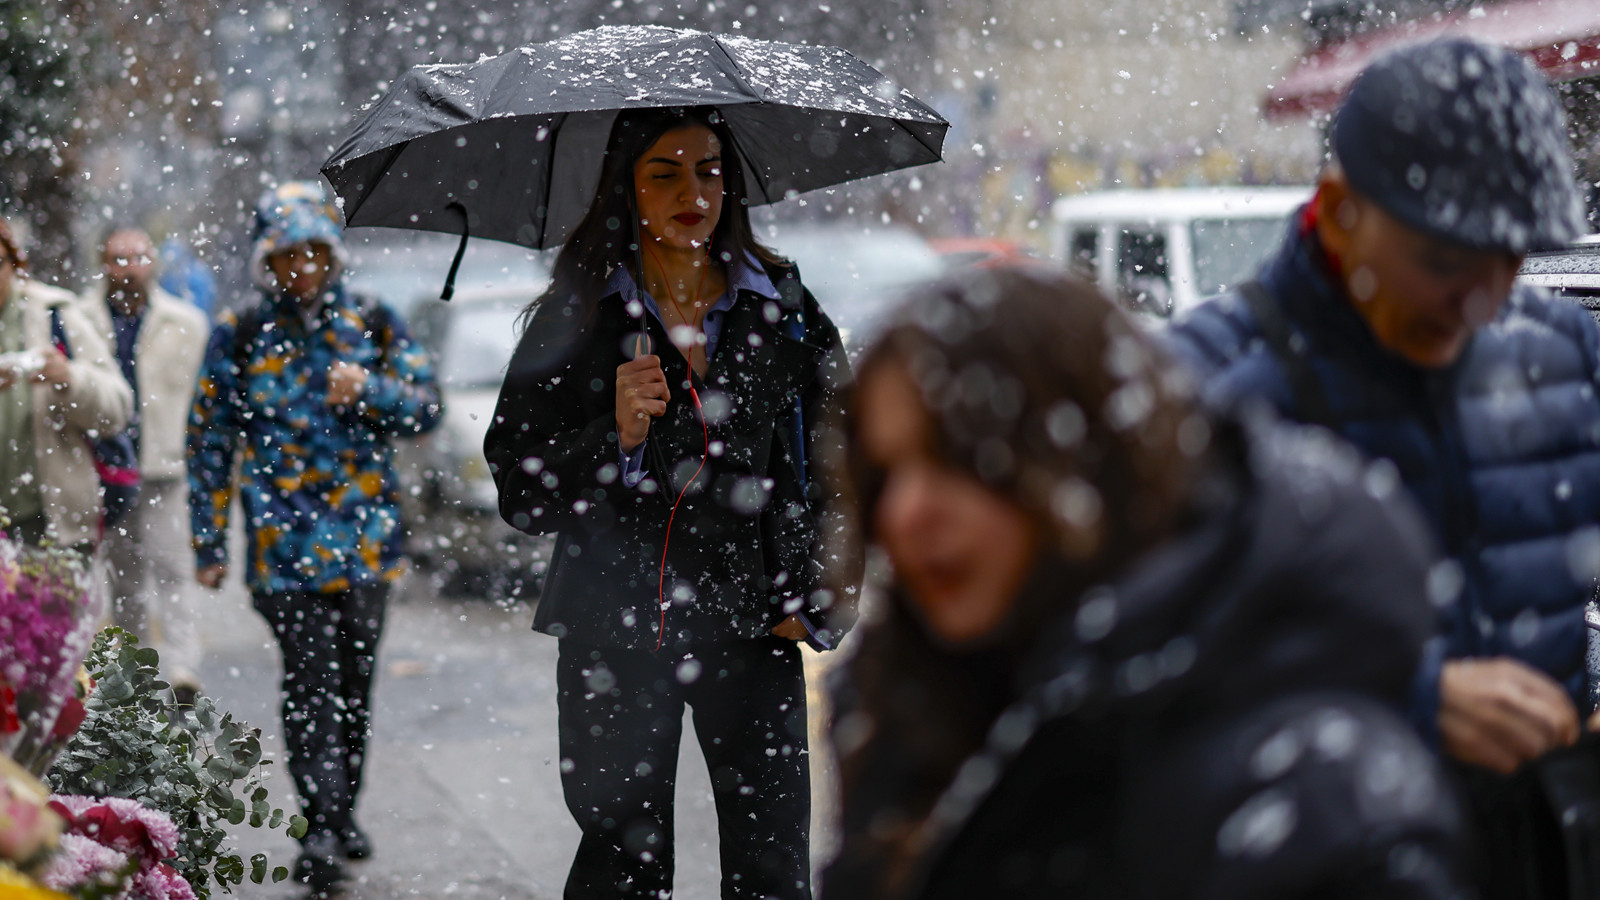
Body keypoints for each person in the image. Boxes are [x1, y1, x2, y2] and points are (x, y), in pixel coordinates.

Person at [821, 265, 1469, 900]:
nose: (905, 512)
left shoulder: (1310, 797)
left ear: (1084, 457)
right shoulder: (905, 716)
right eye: (885, 471)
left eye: (955, 456)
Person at [1164, 38, 1595, 897]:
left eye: (1510, 262)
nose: (1482, 300)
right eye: (1444, 262)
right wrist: (1412, 701)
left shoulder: (1564, 352)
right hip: (1325, 859)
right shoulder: (1200, 395)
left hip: (1546, 849)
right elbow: (1148, 691)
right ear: (1336, 208)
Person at [484, 106, 854, 900]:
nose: (694, 191)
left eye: (709, 170)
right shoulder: (579, 315)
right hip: (612, 634)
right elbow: (519, 487)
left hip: (752, 625)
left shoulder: (779, 304)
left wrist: (821, 593)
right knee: (622, 868)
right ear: (627, 190)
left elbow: (849, 456)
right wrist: (609, 437)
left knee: (771, 869)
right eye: (665, 173)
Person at [187, 181, 442, 895]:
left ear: (333, 256)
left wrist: (371, 392)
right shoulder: (239, 333)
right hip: (283, 550)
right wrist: (208, 543)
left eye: (313, 253)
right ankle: (322, 825)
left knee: (353, 687)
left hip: (366, 545)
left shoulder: (375, 321)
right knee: (310, 685)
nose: (301, 268)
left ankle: (341, 808)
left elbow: (427, 409)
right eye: (287, 254)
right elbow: (208, 440)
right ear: (268, 258)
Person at [79, 226, 210, 701]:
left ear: (152, 262)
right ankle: (137, 674)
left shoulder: (186, 323)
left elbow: (203, 398)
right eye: (117, 259)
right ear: (103, 263)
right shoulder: (81, 319)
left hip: (164, 466)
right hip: (110, 469)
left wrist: (199, 452)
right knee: (125, 578)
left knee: (174, 569)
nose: (127, 268)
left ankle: (181, 669)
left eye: (136, 258)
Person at [0, 216, 132, 553]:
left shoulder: (53, 314)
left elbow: (117, 409)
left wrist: (70, 380)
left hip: (52, 527)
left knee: (50, 607)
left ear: (14, 262)